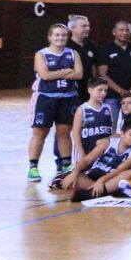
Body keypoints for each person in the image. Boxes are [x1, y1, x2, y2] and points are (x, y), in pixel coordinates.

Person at [28, 23, 83, 182]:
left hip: (68, 97)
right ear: (50, 37)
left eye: (64, 35)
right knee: (40, 133)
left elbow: (79, 74)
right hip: (45, 98)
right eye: (57, 35)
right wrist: (66, 71)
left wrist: (56, 74)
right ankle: (33, 167)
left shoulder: (73, 54)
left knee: (64, 133)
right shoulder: (41, 54)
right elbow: (45, 75)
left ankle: (66, 165)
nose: (60, 38)